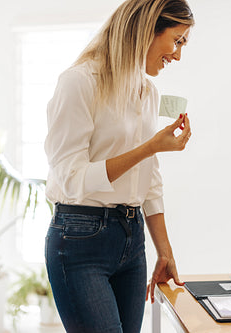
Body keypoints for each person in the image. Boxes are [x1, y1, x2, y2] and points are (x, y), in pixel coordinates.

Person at [43, 1, 194, 332]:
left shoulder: (147, 91)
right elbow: (71, 180)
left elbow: (149, 179)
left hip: (132, 238)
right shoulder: (79, 82)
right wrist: (150, 147)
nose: (178, 55)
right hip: (80, 238)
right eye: (177, 40)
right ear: (147, 28)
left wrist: (164, 252)